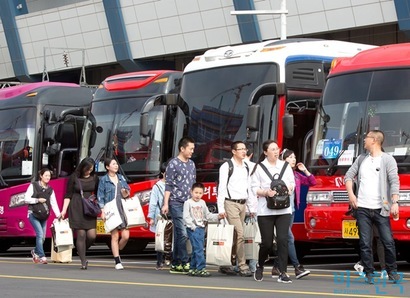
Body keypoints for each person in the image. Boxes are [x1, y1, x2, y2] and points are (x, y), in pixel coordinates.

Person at [345, 130, 401, 284]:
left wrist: (395, 202)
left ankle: (392, 271)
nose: (364, 140)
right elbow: (348, 176)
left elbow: (394, 182)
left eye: (367, 138)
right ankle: (369, 272)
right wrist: (351, 195)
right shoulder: (361, 158)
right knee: (364, 242)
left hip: (381, 208)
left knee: (388, 241)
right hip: (362, 208)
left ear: (375, 140)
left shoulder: (388, 160)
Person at [250, 139, 295, 283]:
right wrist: (265, 192)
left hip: (284, 209)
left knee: (283, 240)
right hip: (265, 211)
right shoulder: (259, 168)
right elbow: (253, 188)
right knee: (267, 243)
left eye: (277, 149)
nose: (276, 151)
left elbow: (292, 182)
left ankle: (283, 272)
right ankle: (260, 265)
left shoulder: (285, 166)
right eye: (273, 149)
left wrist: (290, 188)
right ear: (265, 152)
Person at [270, 149, 315, 279]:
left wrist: (305, 170)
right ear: (283, 160)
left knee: (283, 239)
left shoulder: (296, 175)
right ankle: (297, 267)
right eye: (290, 157)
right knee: (289, 238)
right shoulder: (278, 173)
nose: (293, 159)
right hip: (279, 211)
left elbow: (312, 182)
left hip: (291, 211)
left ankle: (276, 267)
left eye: (294, 157)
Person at [217, 141, 254, 277]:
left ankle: (226, 264)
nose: (244, 151)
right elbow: (221, 188)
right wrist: (221, 208)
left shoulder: (246, 166)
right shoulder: (226, 166)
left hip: (243, 204)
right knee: (240, 234)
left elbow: (248, 187)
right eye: (241, 149)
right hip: (231, 203)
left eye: (245, 149)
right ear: (233, 151)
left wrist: (251, 206)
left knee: (234, 236)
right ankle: (242, 265)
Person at [162, 137, 196, 274]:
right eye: (190, 149)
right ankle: (185, 260)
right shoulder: (173, 164)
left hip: (189, 203)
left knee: (180, 233)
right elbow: (168, 185)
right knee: (182, 232)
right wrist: (166, 204)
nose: (192, 151)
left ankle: (175, 263)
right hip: (176, 202)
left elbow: (193, 184)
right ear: (182, 149)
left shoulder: (192, 164)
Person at [61, 157, 99, 270]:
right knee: (81, 234)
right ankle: (83, 261)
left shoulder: (95, 178)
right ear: (82, 167)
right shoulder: (74, 177)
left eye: (91, 169)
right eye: (87, 169)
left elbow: (98, 194)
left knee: (92, 235)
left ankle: (81, 250)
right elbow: (68, 195)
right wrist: (63, 210)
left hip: (90, 208)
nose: (89, 171)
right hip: (76, 206)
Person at [97, 157, 131, 270]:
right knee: (115, 236)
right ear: (107, 167)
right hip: (110, 210)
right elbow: (100, 197)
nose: (116, 166)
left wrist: (125, 192)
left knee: (126, 236)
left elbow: (127, 193)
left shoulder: (121, 178)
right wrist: (102, 211)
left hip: (122, 209)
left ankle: (117, 249)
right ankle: (117, 260)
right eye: (113, 164)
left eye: (116, 164)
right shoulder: (104, 180)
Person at [25, 168, 61, 264]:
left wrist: (58, 215)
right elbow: (26, 199)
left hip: (44, 216)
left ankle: (35, 252)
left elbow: (54, 203)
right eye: (46, 175)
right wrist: (37, 200)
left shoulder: (50, 190)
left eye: (49, 176)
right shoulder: (33, 186)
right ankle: (42, 256)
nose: (47, 177)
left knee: (43, 237)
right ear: (41, 176)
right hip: (33, 214)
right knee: (40, 234)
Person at [183, 182, 220, 277]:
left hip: (201, 228)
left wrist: (218, 216)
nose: (198, 195)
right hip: (193, 229)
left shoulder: (202, 203)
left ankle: (193, 268)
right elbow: (186, 217)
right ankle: (201, 268)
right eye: (196, 192)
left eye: (200, 193)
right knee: (199, 249)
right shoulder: (188, 203)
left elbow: (207, 215)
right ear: (191, 192)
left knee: (197, 249)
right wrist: (192, 226)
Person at [147, 162, 168, 270]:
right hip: (159, 217)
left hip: (170, 216)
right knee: (160, 239)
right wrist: (150, 218)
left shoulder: (174, 184)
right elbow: (153, 203)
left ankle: (168, 258)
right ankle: (160, 261)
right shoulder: (157, 186)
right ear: (162, 173)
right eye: (166, 172)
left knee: (169, 238)